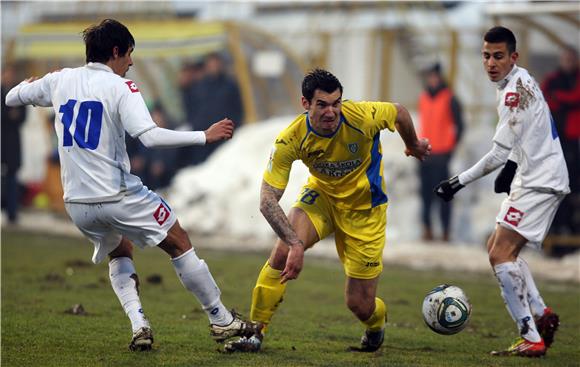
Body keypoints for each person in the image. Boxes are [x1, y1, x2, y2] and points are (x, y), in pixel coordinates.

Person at [5, 19, 257, 351]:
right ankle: (222, 319)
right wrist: (203, 135)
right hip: (117, 194)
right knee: (179, 241)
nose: (132, 63)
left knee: (120, 250)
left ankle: (139, 325)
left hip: (77, 204)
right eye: (129, 54)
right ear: (115, 52)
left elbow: (10, 97)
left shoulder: (59, 80)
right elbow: (149, 137)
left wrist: (27, 84)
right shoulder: (123, 88)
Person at [225, 68, 431, 353]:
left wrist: (413, 144)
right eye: (322, 104)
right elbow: (267, 199)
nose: (331, 112)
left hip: (365, 211)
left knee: (359, 304)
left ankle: (376, 324)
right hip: (322, 198)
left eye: (336, 103)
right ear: (305, 104)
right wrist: (295, 243)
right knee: (282, 251)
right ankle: (254, 332)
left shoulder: (362, 116)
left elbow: (399, 112)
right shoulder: (291, 139)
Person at [434, 26, 569, 358]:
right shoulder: (518, 82)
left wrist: (457, 182)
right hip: (532, 175)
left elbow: (497, 153)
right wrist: (511, 167)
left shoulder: (512, 93)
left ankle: (530, 335)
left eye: (498, 56)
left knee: (500, 255)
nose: (491, 63)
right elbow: (519, 138)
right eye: (486, 56)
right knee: (495, 245)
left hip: (540, 180)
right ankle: (541, 313)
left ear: (513, 57)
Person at [417, 62, 464, 241]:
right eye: (429, 76)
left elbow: (460, 126)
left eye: (435, 76)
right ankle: (427, 229)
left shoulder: (449, 98)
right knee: (425, 196)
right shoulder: (423, 97)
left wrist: (450, 148)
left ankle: (445, 231)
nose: (432, 80)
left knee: (444, 195)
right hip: (425, 155)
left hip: (442, 156)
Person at [541, 46, 580, 235]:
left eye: (571, 59)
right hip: (555, 139)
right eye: (565, 59)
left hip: (574, 140)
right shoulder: (552, 79)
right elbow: (543, 98)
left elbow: (575, 97)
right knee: (554, 183)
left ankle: (571, 228)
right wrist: (564, 100)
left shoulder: (575, 78)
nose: (568, 63)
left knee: (573, 185)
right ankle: (555, 227)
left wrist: (559, 98)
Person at [1, 64, 27, 224]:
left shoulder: (18, 94)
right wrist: (10, 115)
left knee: (12, 177)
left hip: (12, 142)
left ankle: (12, 212)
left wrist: (11, 116)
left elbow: (22, 116)